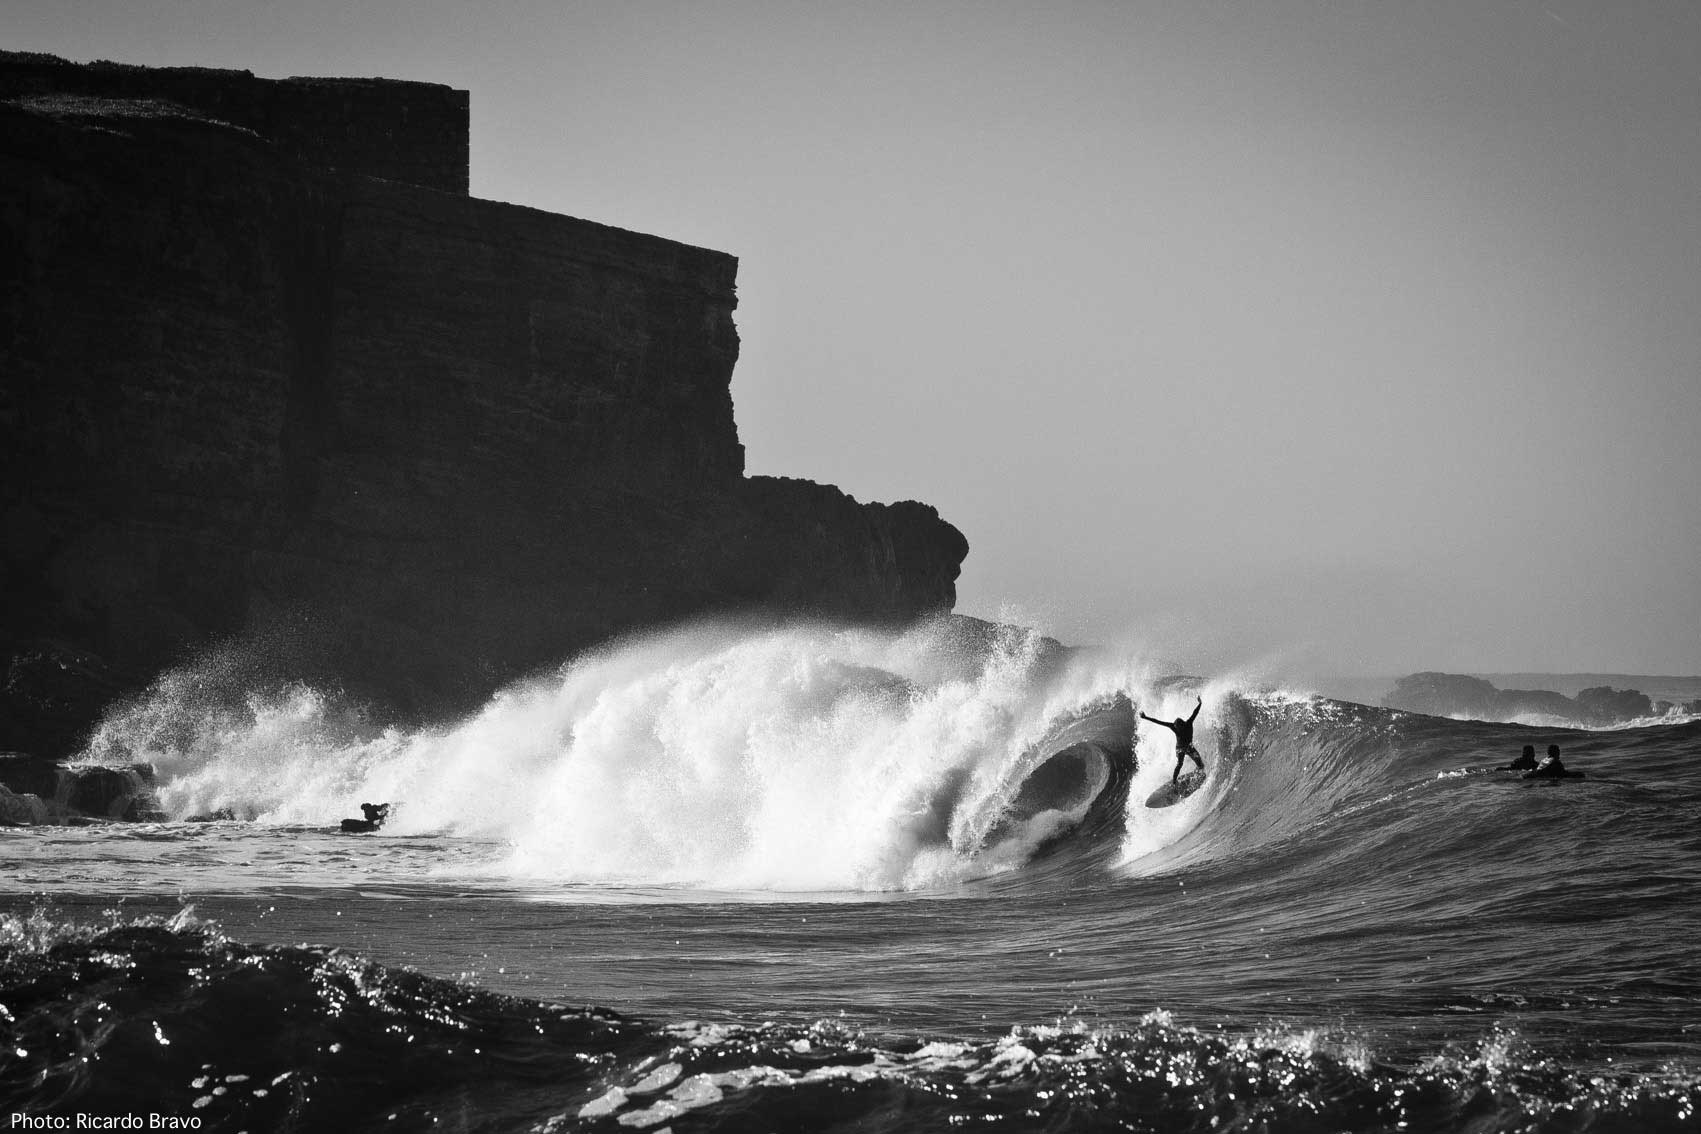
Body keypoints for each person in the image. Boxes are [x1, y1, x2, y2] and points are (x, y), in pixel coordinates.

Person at [1141, 696, 1205, 783]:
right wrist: (1146, 717)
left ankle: (1198, 772)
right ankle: (1174, 781)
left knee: (1200, 764)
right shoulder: (1174, 726)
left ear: (1182, 725)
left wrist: (1200, 704)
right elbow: (1159, 722)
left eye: (1177, 727)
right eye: (1175, 727)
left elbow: (1195, 712)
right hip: (1180, 749)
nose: (1176, 729)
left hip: (1189, 746)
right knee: (1180, 764)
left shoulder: (1188, 723)